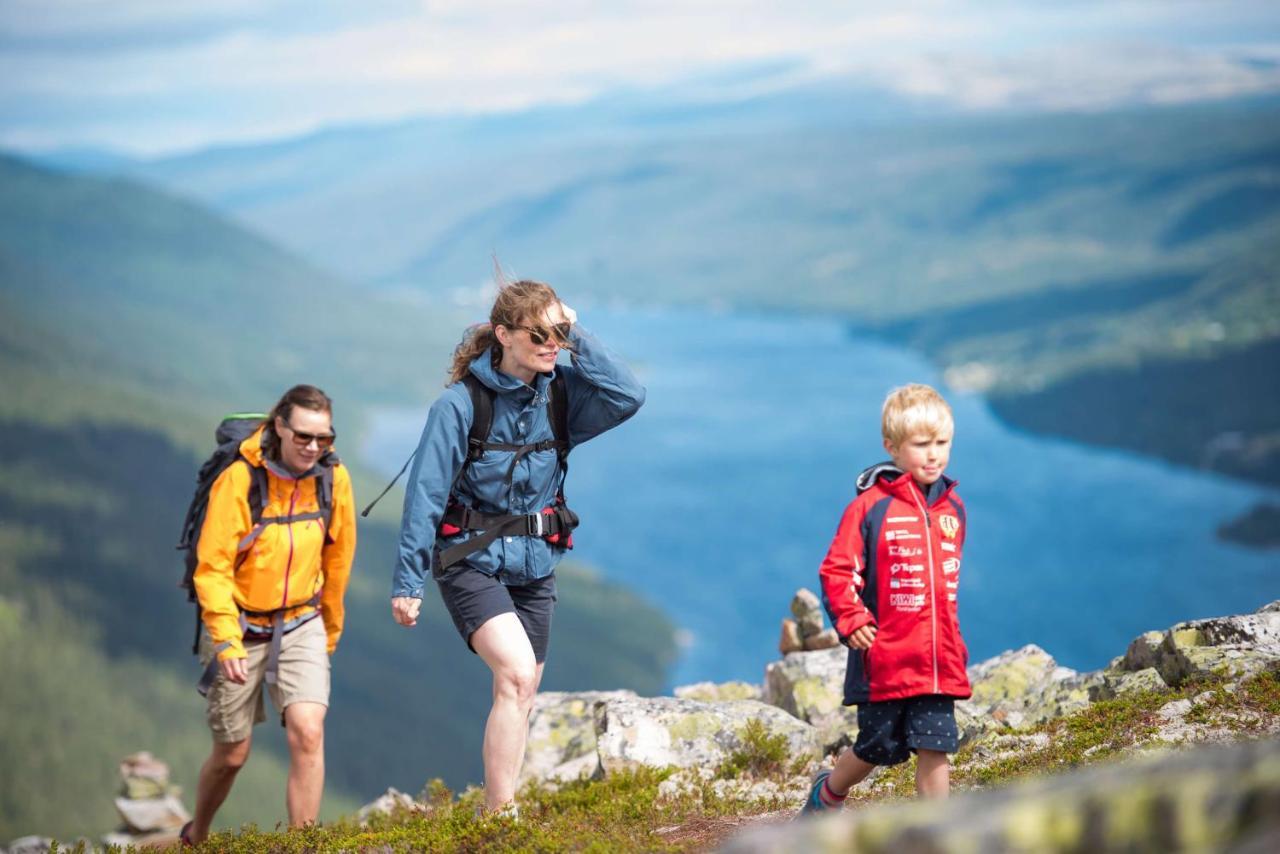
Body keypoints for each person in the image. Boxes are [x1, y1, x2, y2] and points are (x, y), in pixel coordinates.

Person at [391, 280, 644, 816]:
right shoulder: (458, 407)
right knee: (516, 674)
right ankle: (503, 821)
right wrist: (408, 582)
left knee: (521, 693)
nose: (551, 343)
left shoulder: (562, 394)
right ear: (503, 335)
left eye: (558, 332)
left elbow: (628, 395)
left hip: (536, 563)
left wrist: (576, 332)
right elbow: (425, 497)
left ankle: (493, 812)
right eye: (540, 333)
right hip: (468, 561)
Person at [183, 385, 356, 844]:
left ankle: (304, 844)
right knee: (232, 754)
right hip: (238, 626)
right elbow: (212, 566)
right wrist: (224, 637)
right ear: (279, 426)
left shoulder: (333, 478)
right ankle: (196, 836)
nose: (314, 447)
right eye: (303, 436)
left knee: (308, 731)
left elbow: (338, 562)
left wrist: (329, 634)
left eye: (324, 438)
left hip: (303, 621)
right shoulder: (240, 480)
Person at [801, 383, 970, 814]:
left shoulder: (953, 510)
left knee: (936, 745)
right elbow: (837, 569)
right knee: (876, 747)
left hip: (937, 658)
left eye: (942, 442)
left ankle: (939, 830)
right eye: (921, 445)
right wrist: (852, 618)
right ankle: (829, 792)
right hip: (885, 656)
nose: (934, 454)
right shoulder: (870, 508)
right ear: (892, 447)